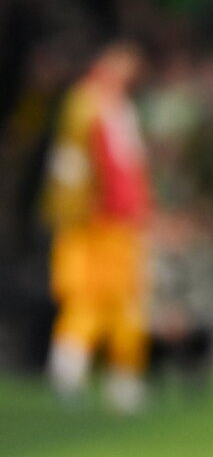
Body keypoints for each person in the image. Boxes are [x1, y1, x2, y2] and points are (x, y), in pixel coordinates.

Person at [42, 40, 152, 414]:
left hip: (120, 222)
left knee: (124, 300)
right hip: (94, 222)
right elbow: (72, 164)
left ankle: (121, 381)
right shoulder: (86, 102)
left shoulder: (117, 105)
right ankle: (68, 374)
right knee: (87, 297)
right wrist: (76, 210)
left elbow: (130, 168)